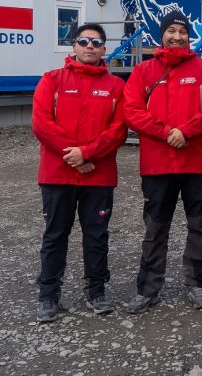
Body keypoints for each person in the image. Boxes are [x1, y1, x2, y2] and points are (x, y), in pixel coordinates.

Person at [122, 10, 202, 314]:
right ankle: (148, 288)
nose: (177, 37)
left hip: (197, 163)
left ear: (189, 36)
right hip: (157, 165)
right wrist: (168, 133)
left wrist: (187, 132)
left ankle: (196, 283)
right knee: (155, 228)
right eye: (172, 31)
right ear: (161, 35)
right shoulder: (143, 72)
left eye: (183, 31)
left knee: (199, 227)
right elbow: (132, 111)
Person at [31, 23, 127, 322]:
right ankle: (48, 296)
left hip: (98, 175)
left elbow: (119, 129)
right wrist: (75, 155)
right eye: (83, 41)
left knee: (96, 235)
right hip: (57, 174)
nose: (90, 46)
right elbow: (42, 124)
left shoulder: (116, 87)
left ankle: (97, 291)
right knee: (55, 235)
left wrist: (87, 153)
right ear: (73, 46)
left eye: (96, 42)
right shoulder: (52, 80)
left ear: (104, 50)